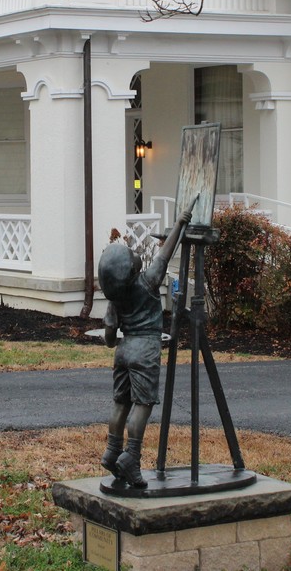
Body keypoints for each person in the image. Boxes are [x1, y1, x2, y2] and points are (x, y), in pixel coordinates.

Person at [98, 202, 193, 487]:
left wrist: (113, 340)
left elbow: (109, 337)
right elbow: (165, 254)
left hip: (123, 351)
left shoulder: (115, 299)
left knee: (120, 402)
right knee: (143, 404)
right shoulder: (148, 282)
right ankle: (131, 457)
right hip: (146, 350)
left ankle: (112, 449)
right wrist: (180, 222)